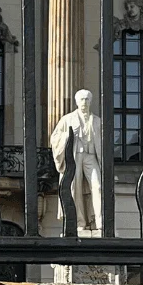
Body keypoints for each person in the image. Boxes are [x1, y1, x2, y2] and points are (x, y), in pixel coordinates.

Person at [49, 89, 106, 234]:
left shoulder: (98, 121)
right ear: (76, 102)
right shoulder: (68, 119)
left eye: (87, 99)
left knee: (98, 186)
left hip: (91, 156)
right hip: (75, 156)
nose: (84, 102)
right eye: (81, 99)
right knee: (75, 188)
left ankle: (100, 221)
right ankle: (79, 222)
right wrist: (68, 136)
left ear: (90, 101)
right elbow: (54, 138)